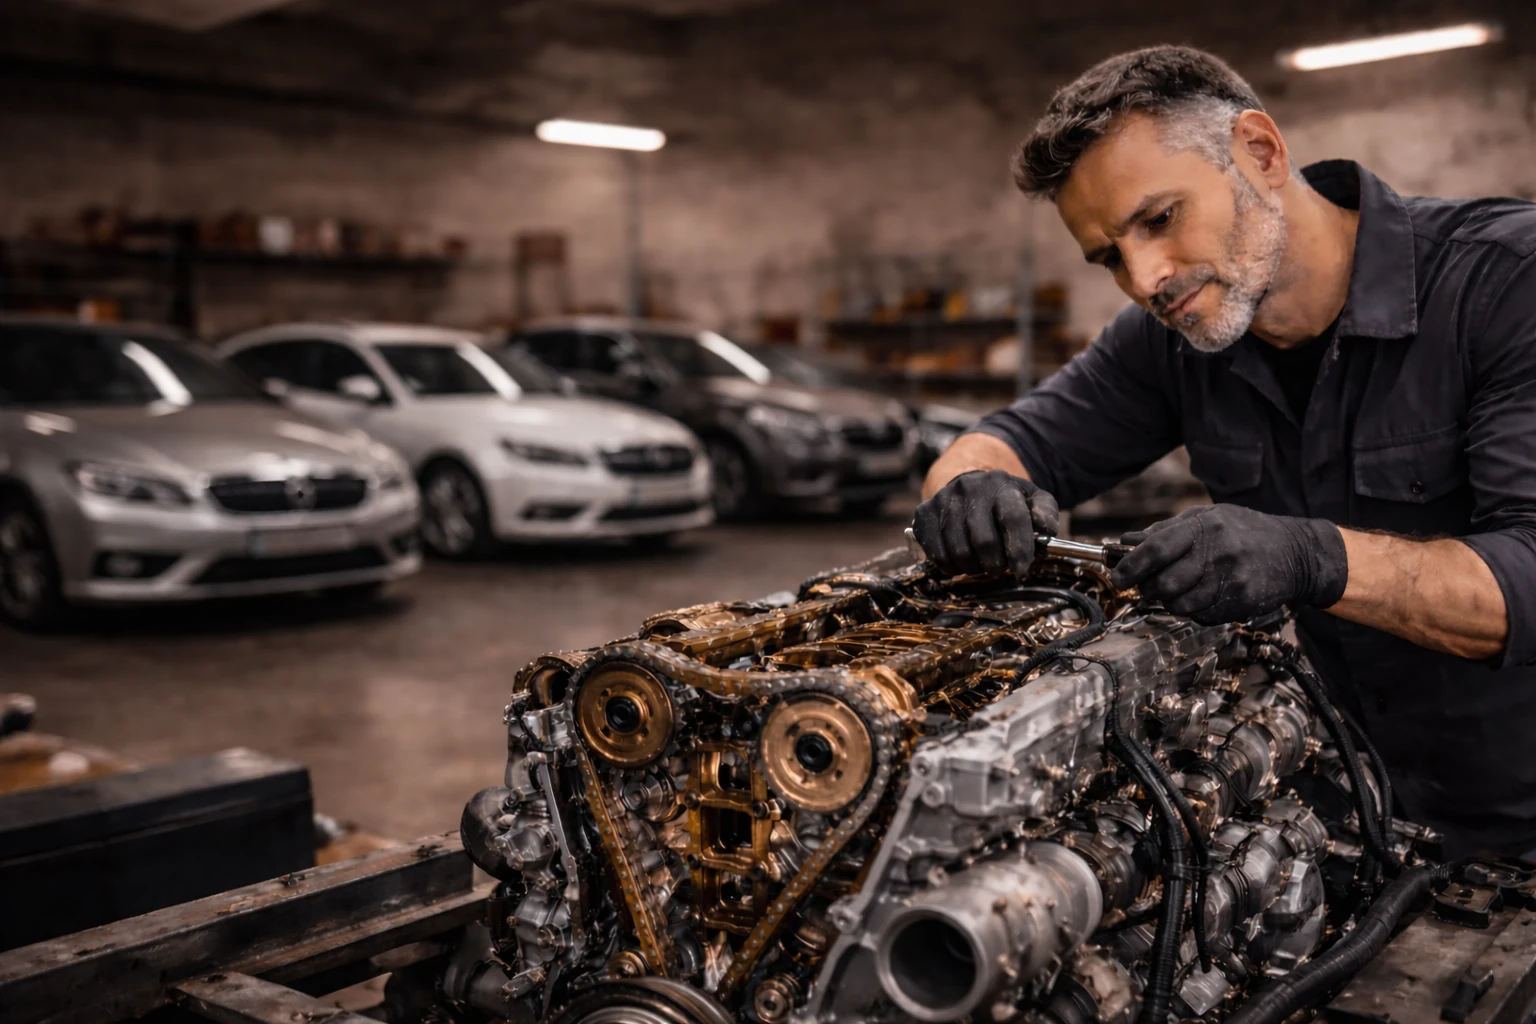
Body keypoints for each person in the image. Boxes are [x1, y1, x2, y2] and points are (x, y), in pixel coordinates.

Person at [913, 46, 1536, 860]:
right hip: (1362, 817)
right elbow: (1013, 440)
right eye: (1110, 257)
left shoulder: (1505, 284)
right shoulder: (1173, 339)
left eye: (1159, 219)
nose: (1145, 279)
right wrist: (970, 487)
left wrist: (1315, 558)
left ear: (1261, 153)